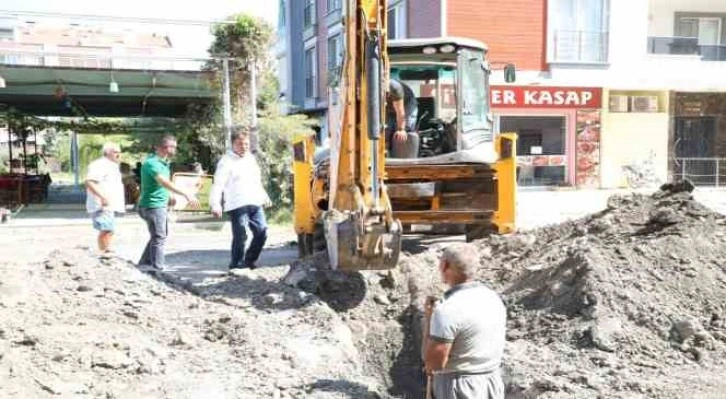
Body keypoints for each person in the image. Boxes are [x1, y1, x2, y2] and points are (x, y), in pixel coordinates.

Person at [423, 243, 506, 399]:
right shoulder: (493, 298)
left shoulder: (448, 310)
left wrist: (429, 320)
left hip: (459, 387)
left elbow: (433, 364)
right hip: (491, 382)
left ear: (444, 265)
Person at [209, 127, 271, 270]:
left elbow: (256, 180)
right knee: (241, 235)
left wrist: (264, 195)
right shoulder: (226, 162)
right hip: (237, 204)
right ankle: (236, 264)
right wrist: (215, 204)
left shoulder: (251, 159)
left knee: (262, 231)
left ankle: (249, 260)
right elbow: (218, 184)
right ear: (233, 144)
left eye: (246, 144)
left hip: (255, 201)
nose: (244, 147)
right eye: (240, 144)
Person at [137, 135, 199, 271]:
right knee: (159, 236)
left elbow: (160, 186)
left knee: (157, 235)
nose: (174, 149)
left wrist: (170, 196)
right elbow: (163, 182)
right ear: (160, 148)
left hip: (157, 205)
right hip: (152, 205)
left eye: (174, 147)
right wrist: (186, 194)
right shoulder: (151, 163)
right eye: (171, 146)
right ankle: (157, 268)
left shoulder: (165, 163)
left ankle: (144, 264)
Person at [85, 142, 125, 255]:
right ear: (107, 152)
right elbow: (90, 182)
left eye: (119, 152)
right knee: (106, 229)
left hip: (109, 205)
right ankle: (103, 252)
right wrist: (102, 197)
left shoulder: (111, 165)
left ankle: (105, 250)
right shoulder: (99, 165)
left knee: (109, 229)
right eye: (116, 152)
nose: (119, 155)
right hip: (101, 205)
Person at [386, 77, 419, 157]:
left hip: (407, 104)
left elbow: (400, 112)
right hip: (389, 108)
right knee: (385, 130)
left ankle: (405, 158)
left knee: (403, 132)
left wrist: (401, 129)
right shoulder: (368, 89)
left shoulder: (395, 88)